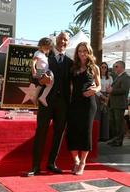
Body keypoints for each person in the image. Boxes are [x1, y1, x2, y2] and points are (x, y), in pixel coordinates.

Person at [27, 32, 73, 176]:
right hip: (45, 102)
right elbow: (32, 76)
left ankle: (51, 163)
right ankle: (35, 166)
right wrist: (40, 81)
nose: (62, 42)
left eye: (65, 40)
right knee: (41, 132)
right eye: (60, 39)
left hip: (63, 104)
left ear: (68, 43)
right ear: (55, 41)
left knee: (58, 134)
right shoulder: (45, 56)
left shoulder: (70, 62)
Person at [66, 42, 101, 175]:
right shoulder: (73, 67)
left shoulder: (94, 68)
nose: (82, 53)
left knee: (86, 132)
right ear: (77, 53)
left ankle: (82, 162)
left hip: (88, 103)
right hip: (74, 103)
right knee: (72, 131)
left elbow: (98, 86)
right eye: (80, 51)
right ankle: (75, 160)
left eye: (85, 51)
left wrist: (94, 90)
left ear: (89, 52)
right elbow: (69, 86)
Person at [107, 60, 130, 146]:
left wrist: (112, 90)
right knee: (114, 123)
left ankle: (119, 141)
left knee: (119, 123)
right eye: (114, 66)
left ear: (121, 67)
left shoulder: (125, 77)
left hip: (119, 104)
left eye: (116, 66)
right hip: (114, 103)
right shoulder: (118, 77)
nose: (114, 68)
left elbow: (124, 90)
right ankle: (115, 139)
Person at [31, 37, 54, 106]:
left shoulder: (43, 54)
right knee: (50, 84)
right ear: (41, 46)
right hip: (41, 71)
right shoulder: (38, 53)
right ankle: (42, 97)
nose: (47, 50)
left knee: (41, 85)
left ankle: (35, 97)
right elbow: (33, 62)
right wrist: (34, 69)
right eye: (46, 48)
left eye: (48, 49)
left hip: (42, 71)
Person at [96, 62, 113, 141]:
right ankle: (97, 136)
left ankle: (105, 136)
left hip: (107, 96)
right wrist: (102, 96)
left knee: (105, 116)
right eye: (102, 67)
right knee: (98, 116)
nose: (103, 69)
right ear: (100, 68)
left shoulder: (110, 78)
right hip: (98, 96)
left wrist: (107, 98)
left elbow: (110, 88)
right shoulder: (96, 77)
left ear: (107, 69)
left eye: (105, 67)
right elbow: (95, 89)